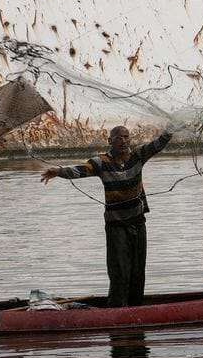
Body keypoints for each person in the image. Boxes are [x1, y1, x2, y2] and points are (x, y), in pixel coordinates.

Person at [41, 125, 173, 307]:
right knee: (119, 271)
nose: (123, 141)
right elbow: (81, 170)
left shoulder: (138, 156)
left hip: (138, 223)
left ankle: (135, 308)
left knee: (138, 271)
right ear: (110, 141)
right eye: (118, 138)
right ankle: (117, 308)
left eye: (126, 137)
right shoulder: (101, 162)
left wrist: (171, 130)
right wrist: (58, 171)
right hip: (116, 225)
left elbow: (157, 144)